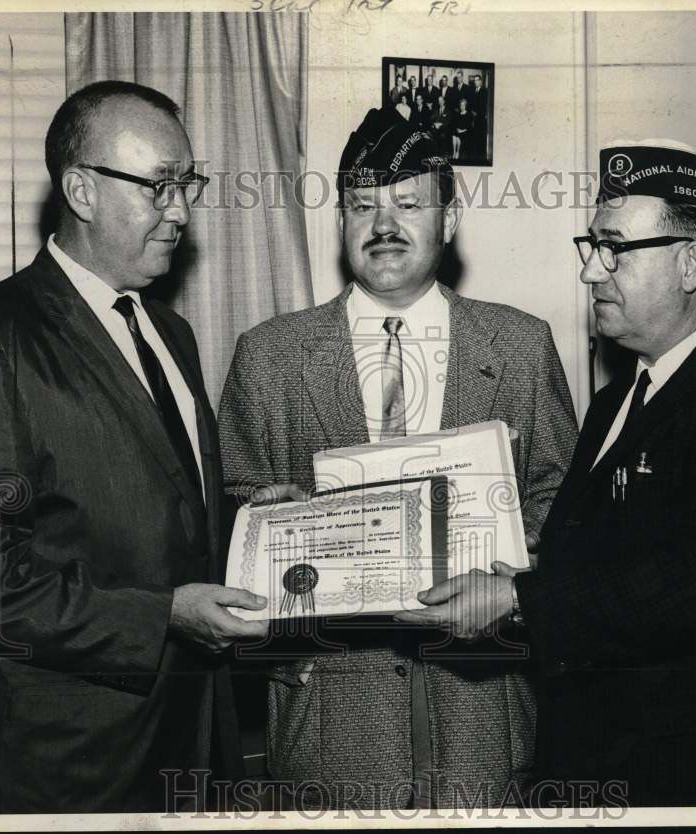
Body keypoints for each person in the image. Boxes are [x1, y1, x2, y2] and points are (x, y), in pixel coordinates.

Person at [397, 140, 696, 806]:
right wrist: (522, 575)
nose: (590, 274)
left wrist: (522, 600)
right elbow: (613, 549)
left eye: (614, 249)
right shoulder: (620, 396)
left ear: (690, 262)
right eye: (592, 247)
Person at [0, 80, 276, 812]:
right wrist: (162, 615)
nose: (181, 210)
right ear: (79, 189)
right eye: (160, 186)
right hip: (68, 768)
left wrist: (256, 519)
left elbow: (155, 509)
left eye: (188, 183)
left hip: (191, 743)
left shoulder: (169, 331)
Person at [218, 106, 578, 809]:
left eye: (408, 203)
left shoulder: (522, 346)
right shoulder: (268, 355)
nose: (383, 225)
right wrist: (263, 522)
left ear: (448, 218)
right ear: (342, 221)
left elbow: (561, 504)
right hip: (329, 716)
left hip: (485, 710)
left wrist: (509, 570)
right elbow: (232, 510)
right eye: (362, 206)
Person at [450, 96, 473, 160]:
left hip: (465, 131)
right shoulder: (458, 114)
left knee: (458, 137)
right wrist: (457, 129)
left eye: (463, 105)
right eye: (461, 105)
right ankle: (454, 152)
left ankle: (458, 152)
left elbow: (469, 126)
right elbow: (455, 124)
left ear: (466, 106)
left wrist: (462, 130)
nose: (462, 107)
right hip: (458, 130)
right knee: (454, 136)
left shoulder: (469, 114)